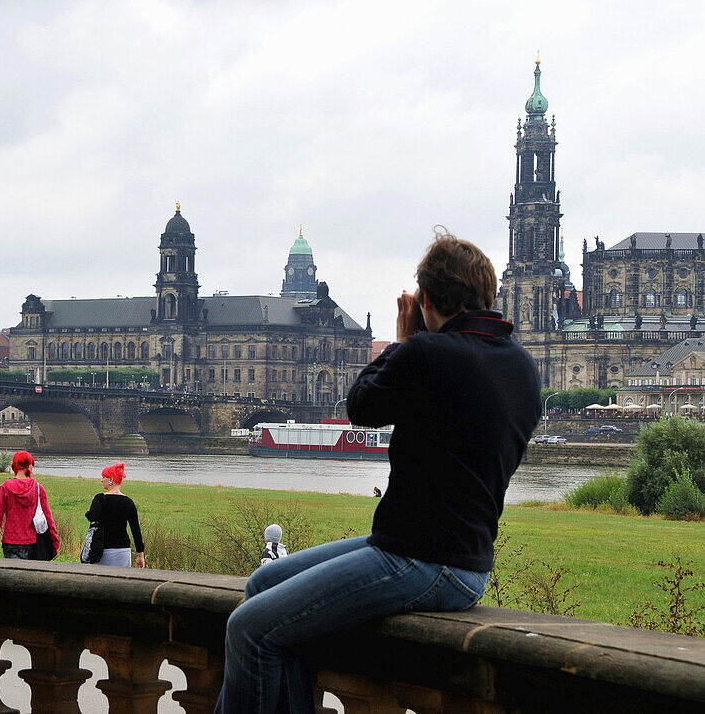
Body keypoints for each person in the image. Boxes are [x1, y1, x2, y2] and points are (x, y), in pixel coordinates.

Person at [215, 230, 541, 713]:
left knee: (248, 628)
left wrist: (405, 340)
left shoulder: (427, 353)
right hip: (467, 560)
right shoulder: (522, 365)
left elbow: (360, 407)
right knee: (264, 585)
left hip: (420, 559)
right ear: (486, 295)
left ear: (427, 299)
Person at [0, 450, 60, 560]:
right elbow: (49, 519)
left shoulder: (5, 488)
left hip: (9, 542)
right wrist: (55, 542)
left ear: (14, 467)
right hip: (31, 542)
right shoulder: (38, 489)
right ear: (29, 467)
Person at [84, 462, 145, 568]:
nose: (101, 480)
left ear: (111, 480)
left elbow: (92, 517)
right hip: (123, 551)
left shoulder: (100, 498)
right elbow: (136, 530)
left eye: (104, 477)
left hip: (103, 550)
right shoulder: (128, 502)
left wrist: (88, 513)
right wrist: (140, 555)